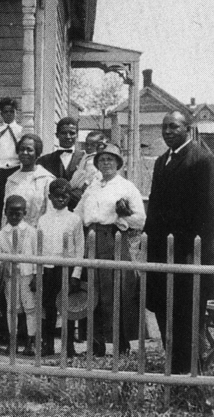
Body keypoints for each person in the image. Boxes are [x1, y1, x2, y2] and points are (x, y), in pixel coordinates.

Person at [145, 111, 214, 373]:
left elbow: (211, 214)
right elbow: (155, 208)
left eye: (174, 127)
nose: (167, 131)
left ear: (188, 129)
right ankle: (174, 369)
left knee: (187, 319)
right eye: (164, 126)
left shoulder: (202, 160)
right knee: (164, 311)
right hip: (161, 254)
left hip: (189, 256)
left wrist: (193, 251)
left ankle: (191, 376)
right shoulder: (161, 162)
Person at [75, 143, 145, 357]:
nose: (106, 163)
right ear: (96, 164)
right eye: (102, 160)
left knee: (116, 292)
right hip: (91, 241)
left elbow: (140, 220)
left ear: (118, 163)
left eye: (110, 159)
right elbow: (78, 215)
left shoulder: (126, 186)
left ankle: (120, 345)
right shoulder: (93, 187)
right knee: (91, 291)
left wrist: (123, 215)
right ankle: (95, 344)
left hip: (113, 240)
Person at [36, 178, 84, 357]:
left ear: (69, 197)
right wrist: (38, 272)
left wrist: (76, 274)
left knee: (69, 308)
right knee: (49, 308)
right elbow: (38, 249)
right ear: (50, 197)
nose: (61, 200)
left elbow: (79, 248)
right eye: (57, 196)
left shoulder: (74, 219)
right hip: (48, 268)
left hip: (67, 268)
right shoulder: (43, 220)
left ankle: (69, 346)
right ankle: (48, 345)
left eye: (65, 196)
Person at [0, 194, 38, 355]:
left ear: (24, 213)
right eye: (10, 213)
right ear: (5, 212)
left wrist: (36, 275)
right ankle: (12, 341)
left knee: (30, 308)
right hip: (9, 276)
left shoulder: (32, 232)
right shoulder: (0, 235)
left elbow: (36, 256)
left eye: (18, 214)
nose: (13, 217)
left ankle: (30, 342)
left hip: (27, 275)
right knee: (12, 308)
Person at [2, 134, 55, 229]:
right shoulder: (12, 180)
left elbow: (50, 212)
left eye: (29, 149)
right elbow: (5, 213)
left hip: (38, 234)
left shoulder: (46, 179)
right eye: (22, 149)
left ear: (37, 153)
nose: (24, 152)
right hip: (15, 233)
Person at [0, 98, 23, 226]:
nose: (9, 114)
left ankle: (15, 223)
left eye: (11, 112)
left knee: (14, 197)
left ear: (15, 113)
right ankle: (0, 223)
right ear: (1, 114)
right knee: (1, 198)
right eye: (5, 112)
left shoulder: (20, 131)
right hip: (1, 170)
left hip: (16, 168)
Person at [67, 131, 107, 210]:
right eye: (87, 144)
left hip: (88, 189)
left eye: (92, 145)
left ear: (99, 146)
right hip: (77, 185)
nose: (88, 147)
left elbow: (95, 177)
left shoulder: (98, 158)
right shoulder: (85, 156)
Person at [37, 117, 85, 182]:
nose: (68, 136)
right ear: (57, 135)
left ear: (77, 135)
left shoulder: (85, 158)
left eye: (72, 133)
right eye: (64, 133)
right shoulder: (44, 161)